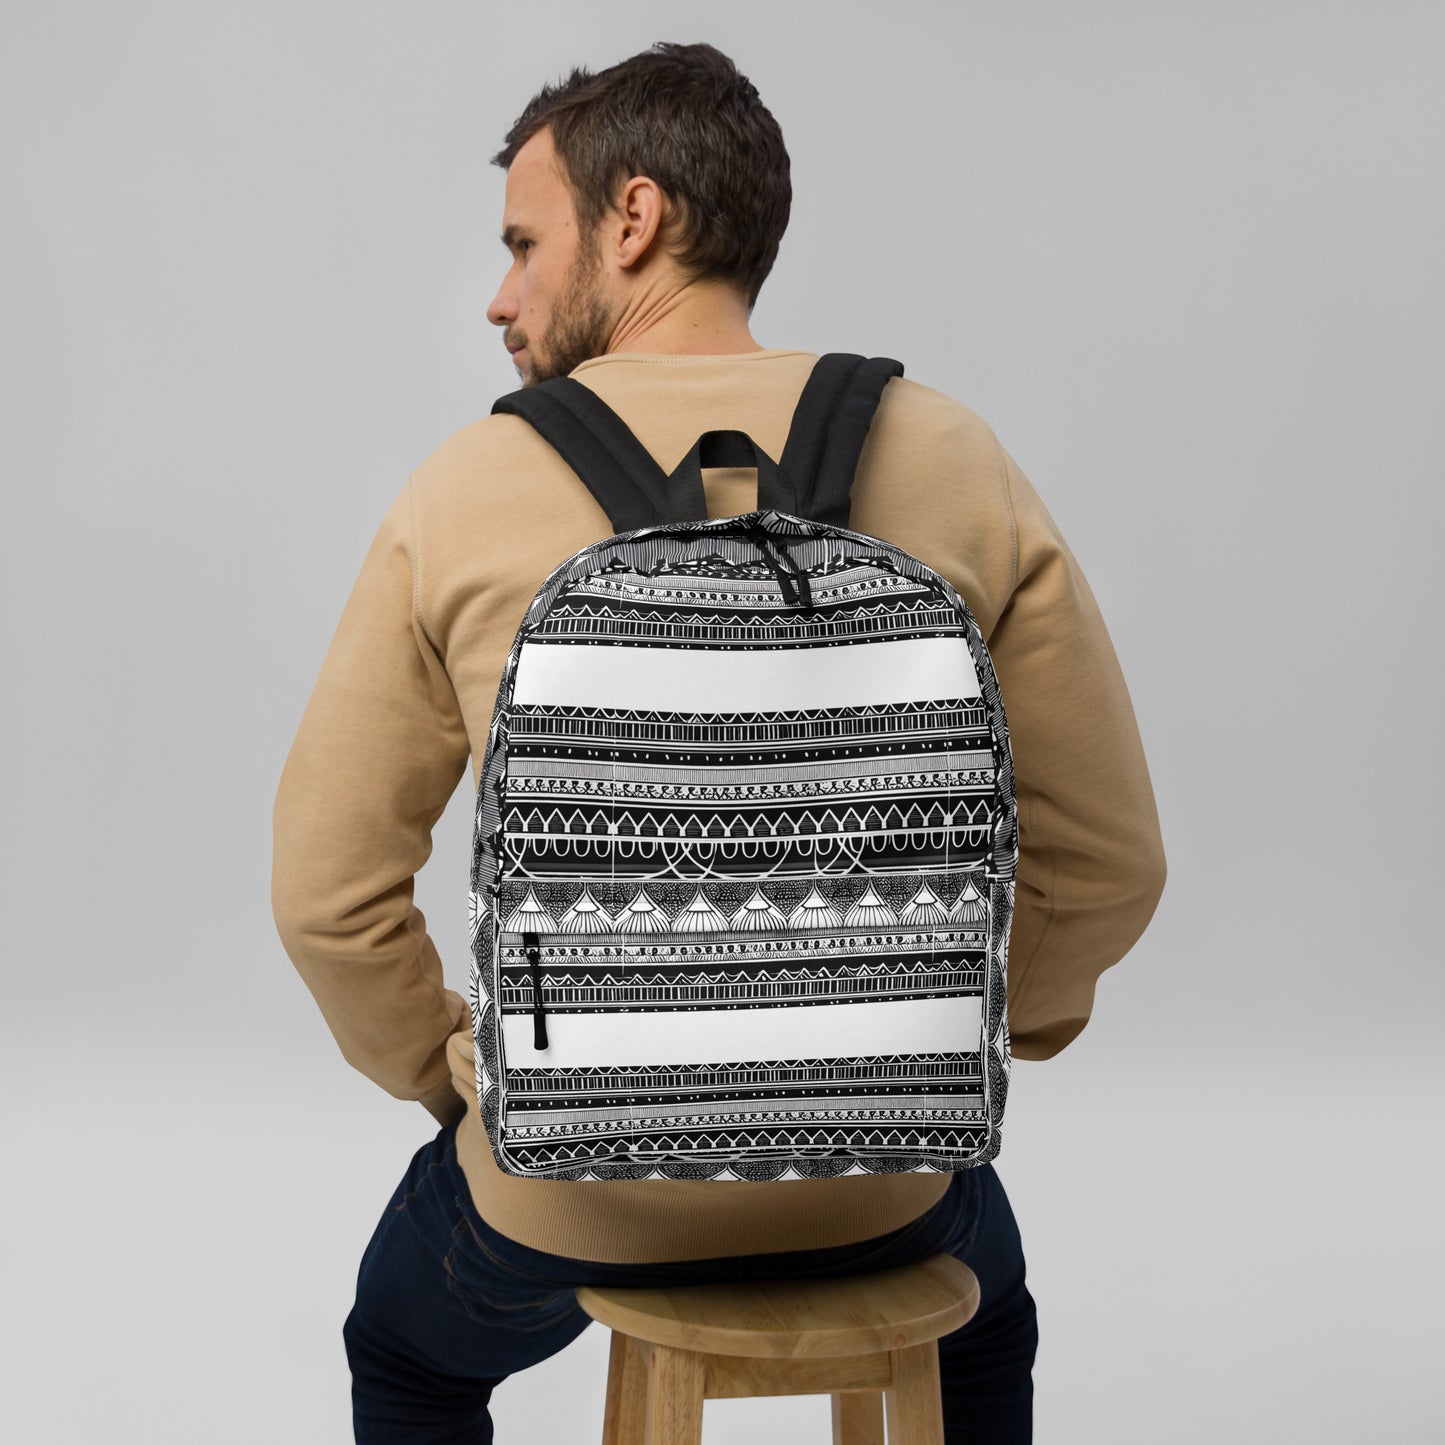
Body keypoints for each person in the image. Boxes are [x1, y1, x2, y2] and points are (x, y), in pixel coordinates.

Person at [271, 41, 1165, 1445]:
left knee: (407, 1354)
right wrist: (980, 1031)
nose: (500, 297)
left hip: (565, 1186)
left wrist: (464, 1080)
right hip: (883, 1178)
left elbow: (326, 899)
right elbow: (1110, 861)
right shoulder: (953, 454)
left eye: (523, 244)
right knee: (987, 1319)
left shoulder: (464, 489)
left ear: (633, 218)